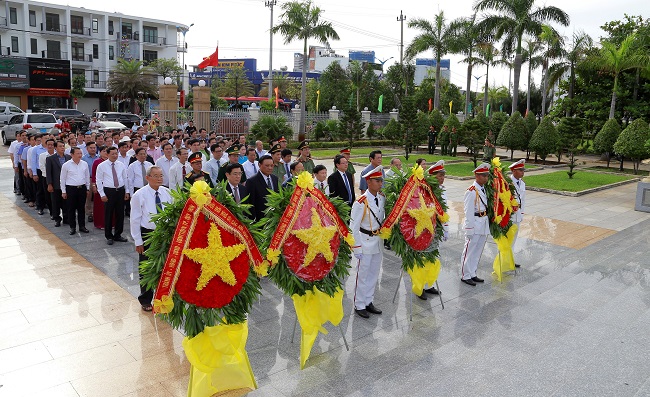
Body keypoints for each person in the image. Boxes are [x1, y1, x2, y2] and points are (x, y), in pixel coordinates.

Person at [130, 166, 173, 312]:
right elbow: (135, 219)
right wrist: (138, 241)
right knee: (147, 268)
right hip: (148, 234)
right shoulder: (139, 195)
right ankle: (145, 299)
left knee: (165, 266)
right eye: (156, 176)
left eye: (161, 175)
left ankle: (164, 297)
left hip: (164, 233)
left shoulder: (167, 192)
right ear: (147, 178)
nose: (160, 178)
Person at [350, 165, 386, 319]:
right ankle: (359, 304)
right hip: (364, 242)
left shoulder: (382, 197)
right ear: (369, 182)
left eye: (381, 180)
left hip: (377, 241)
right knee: (363, 275)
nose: (380, 183)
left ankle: (368, 301)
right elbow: (353, 227)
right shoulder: (360, 202)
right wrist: (356, 248)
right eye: (377, 181)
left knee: (374, 273)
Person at [416, 160, 450, 300]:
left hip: (436, 229)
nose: (442, 178)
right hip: (425, 229)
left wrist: (446, 228)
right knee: (422, 257)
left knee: (432, 256)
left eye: (443, 175)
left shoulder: (441, 190)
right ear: (431, 176)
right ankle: (419, 287)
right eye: (439, 175)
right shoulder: (425, 191)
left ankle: (428, 284)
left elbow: (444, 210)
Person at [460, 162, 491, 286]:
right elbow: (468, 212)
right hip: (474, 224)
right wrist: (469, 229)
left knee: (478, 251)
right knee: (469, 250)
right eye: (483, 175)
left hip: (483, 224)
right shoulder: (471, 191)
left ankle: (472, 273)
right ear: (477, 176)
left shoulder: (484, 189)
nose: (486, 178)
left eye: (487, 175)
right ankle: (465, 275)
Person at [96, 146, 130, 244]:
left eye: (116, 153)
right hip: (109, 191)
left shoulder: (121, 164)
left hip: (120, 190)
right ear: (107, 154)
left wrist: (126, 191)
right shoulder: (102, 166)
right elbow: (98, 181)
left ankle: (118, 234)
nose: (115, 155)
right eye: (113, 154)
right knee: (108, 214)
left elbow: (125, 178)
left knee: (120, 213)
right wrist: (102, 194)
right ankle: (109, 236)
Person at [60, 147, 90, 235]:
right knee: (71, 209)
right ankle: (72, 227)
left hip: (82, 188)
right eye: (78, 153)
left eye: (81, 153)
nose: (80, 155)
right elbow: (62, 179)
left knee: (81, 208)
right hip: (71, 189)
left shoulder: (84, 164)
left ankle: (82, 226)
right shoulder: (66, 165)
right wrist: (63, 191)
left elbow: (87, 176)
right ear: (72, 154)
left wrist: (87, 188)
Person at [246, 155, 279, 221]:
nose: (270, 168)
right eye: (267, 166)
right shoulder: (252, 181)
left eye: (272, 165)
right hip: (260, 218)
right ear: (259, 165)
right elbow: (250, 203)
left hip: (274, 217)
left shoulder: (275, 178)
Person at [46, 141, 71, 227]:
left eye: (63, 146)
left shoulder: (68, 157)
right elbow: (48, 172)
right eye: (60, 146)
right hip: (56, 184)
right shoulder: (50, 159)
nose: (62, 148)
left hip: (67, 184)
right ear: (55, 148)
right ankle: (57, 218)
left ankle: (66, 218)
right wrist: (49, 184)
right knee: (56, 202)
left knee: (66, 202)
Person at [509, 159, 526, 268]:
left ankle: (510, 260)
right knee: (506, 239)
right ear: (514, 171)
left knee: (513, 239)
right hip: (509, 215)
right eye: (520, 170)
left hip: (518, 214)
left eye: (523, 170)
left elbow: (523, 200)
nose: (523, 172)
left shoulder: (522, 183)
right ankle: (503, 260)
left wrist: (522, 214)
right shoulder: (507, 183)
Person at [91, 146, 108, 229]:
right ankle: (100, 223)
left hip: (109, 186)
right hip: (99, 185)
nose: (105, 153)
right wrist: (94, 185)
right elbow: (93, 175)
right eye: (104, 151)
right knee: (100, 206)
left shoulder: (111, 161)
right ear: (100, 152)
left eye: (107, 151)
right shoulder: (97, 162)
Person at [82, 142, 99, 223]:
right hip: (88, 178)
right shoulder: (83, 158)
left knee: (98, 196)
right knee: (89, 197)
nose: (93, 149)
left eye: (94, 148)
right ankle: (89, 213)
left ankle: (97, 212)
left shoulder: (99, 157)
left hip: (98, 179)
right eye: (91, 148)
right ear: (87, 149)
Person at [38, 138, 55, 218]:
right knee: (48, 196)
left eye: (52, 145)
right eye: (48, 145)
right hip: (46, 178)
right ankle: (52, 212)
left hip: (57, 178)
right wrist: (49, 176)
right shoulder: (42, 156)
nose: (50, 146)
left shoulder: (57, 155)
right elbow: (42, 167)